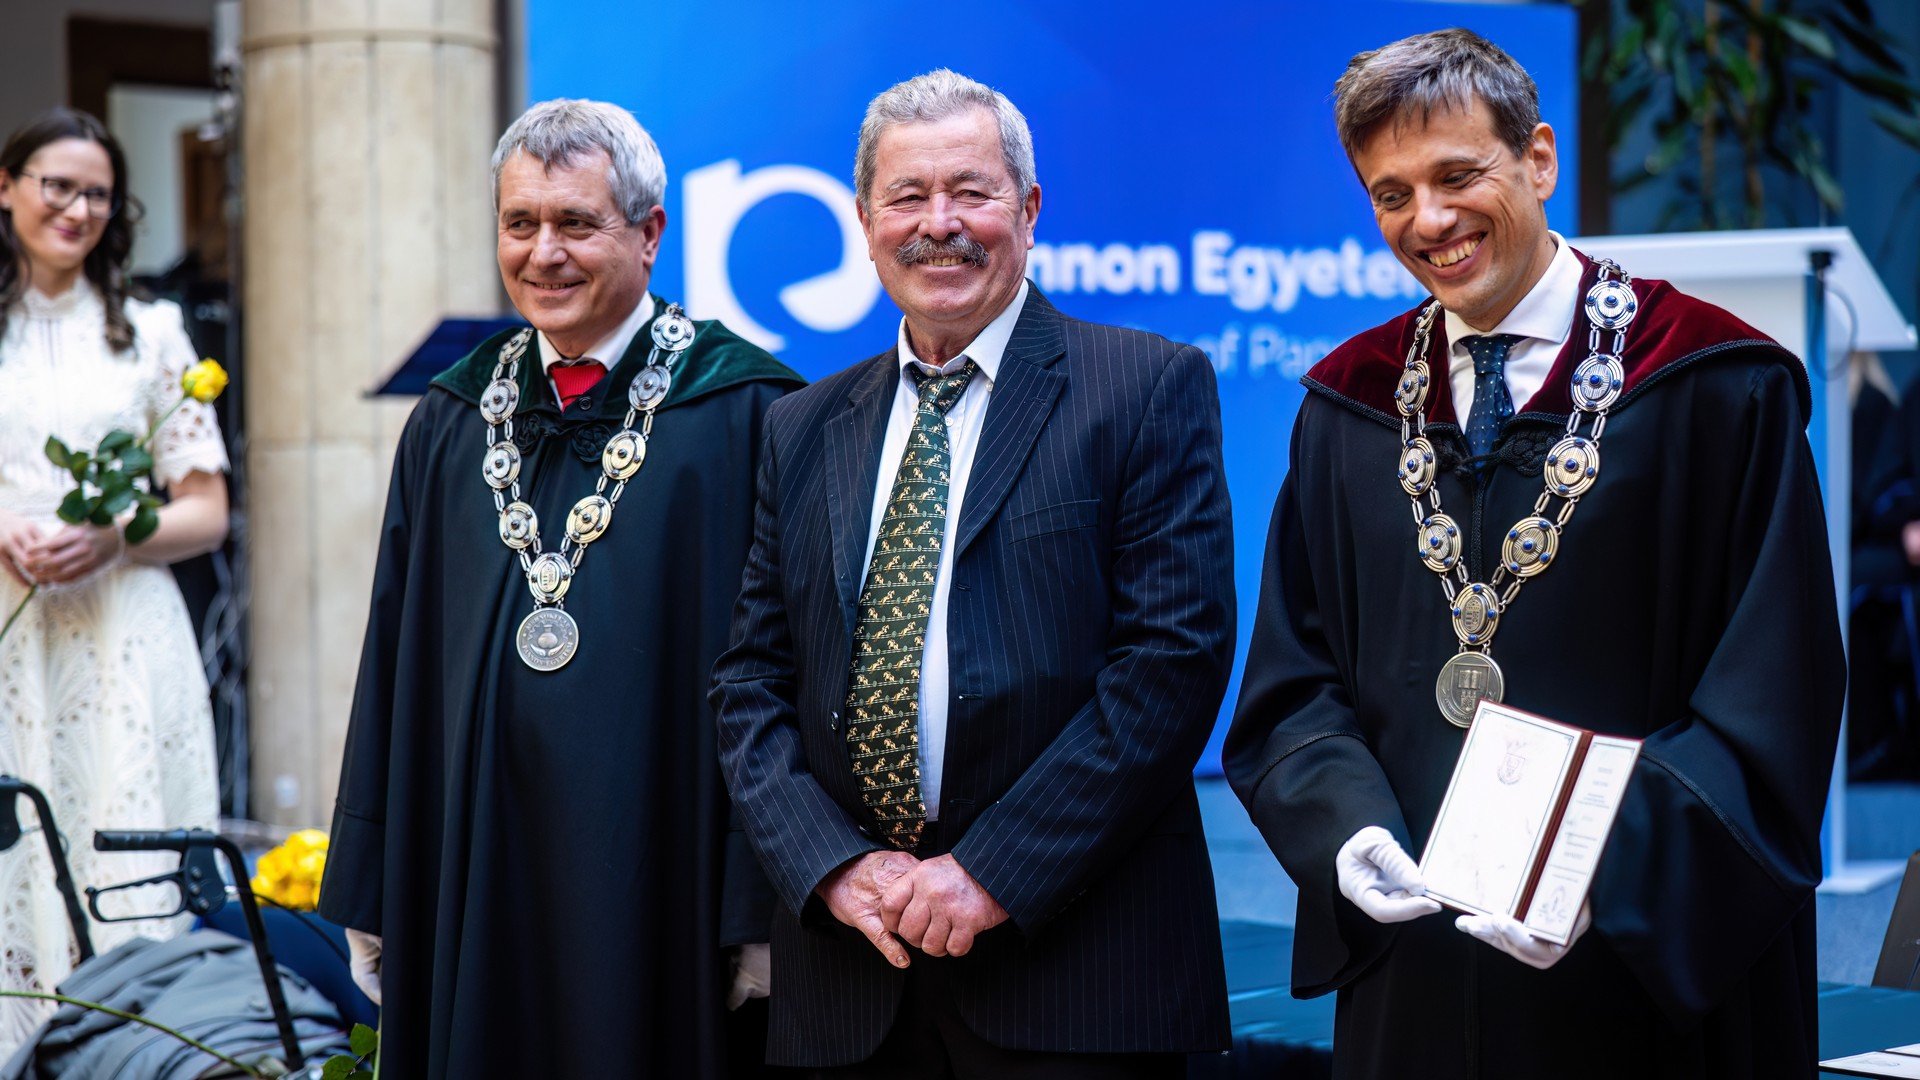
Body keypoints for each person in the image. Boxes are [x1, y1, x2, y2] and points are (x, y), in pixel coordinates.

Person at [1223, 29, 1843, 1078]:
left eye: (1457, 176)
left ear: (1539, 159)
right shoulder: (1347, 410)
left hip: (1641, 971)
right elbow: (1295, 683)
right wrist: (1347, 832)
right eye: (1390, 194)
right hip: (1421, 971)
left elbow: (1774, 690)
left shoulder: (1714, 385)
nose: (1429, 220)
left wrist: (1609, 872)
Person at [713, 69, 1234, 1077]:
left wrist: (990, 872)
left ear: (1029, 209)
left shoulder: (1144, 385)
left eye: (971, 192)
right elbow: (750, 683)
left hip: (1075, 981)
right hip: (851, 983)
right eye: (907, 197)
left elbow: (1170, 665)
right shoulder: (801, 426)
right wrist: (834, 868)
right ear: (865, 224)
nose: (938, 224)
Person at [315, 99, 802, 1079]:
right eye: (520, 223)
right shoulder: (451, 418)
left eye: (576, 223)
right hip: (475, 865)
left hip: (662, 876)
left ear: (650, 233)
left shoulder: (751, 410)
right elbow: (394, 656)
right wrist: (371, 876)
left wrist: (760, 903)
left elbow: (789, 672)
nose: (544, 253)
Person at [0, 108, 229, 1053]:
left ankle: (129, 1057)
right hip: (12, 631)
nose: (78, 209)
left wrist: (115, 537)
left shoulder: (155, 331)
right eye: (58, 185)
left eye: (98, 193)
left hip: (123, 637)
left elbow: (207, 510)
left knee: (121, 855)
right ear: (6, 186)